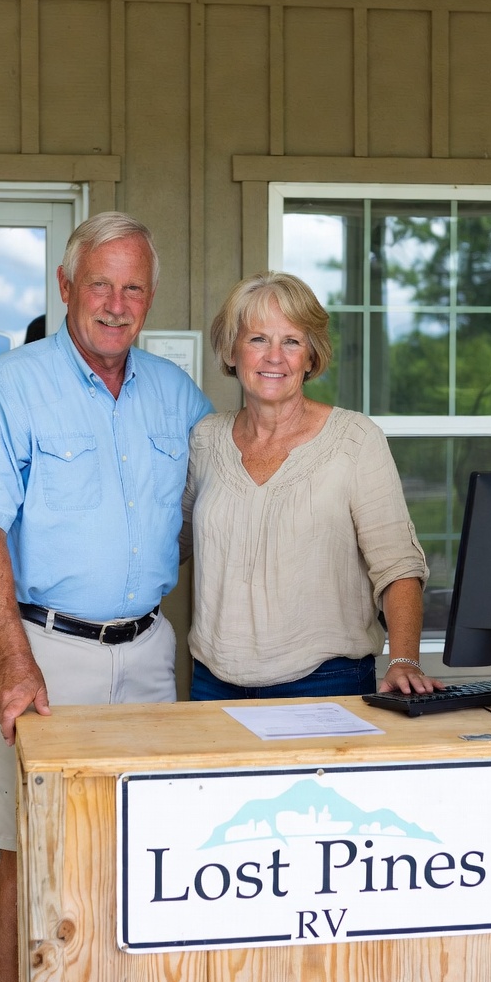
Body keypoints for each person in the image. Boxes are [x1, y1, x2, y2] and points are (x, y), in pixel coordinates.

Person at [0, 212, 213, 982]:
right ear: (65, 288)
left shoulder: (178, 397)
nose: (117, 303)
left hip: (147, 651)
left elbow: (227, 506)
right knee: (30, 853)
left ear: (150, 298)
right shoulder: (10, 385)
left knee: (142, 854)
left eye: (134, 288)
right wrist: (14, 659)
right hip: (43, 651)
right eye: (101, 284)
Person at [181, 270, 445, 702]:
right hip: (214, 684)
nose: (274, 357)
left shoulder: (355, 440)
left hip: (327, 682)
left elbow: (398, 566)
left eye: (291, 341)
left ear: (311, 356)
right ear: (231, 351)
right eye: (257, 339)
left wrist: (405, 659)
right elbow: (171, 543)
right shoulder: (206, 439)